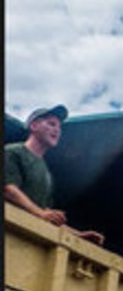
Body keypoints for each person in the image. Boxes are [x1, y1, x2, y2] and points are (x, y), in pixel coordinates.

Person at [4, 105, 103, 244]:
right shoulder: (12, 152)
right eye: (51, 124)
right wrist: (40, 213)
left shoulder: (46, 173)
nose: (57, 130)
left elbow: (44, 210)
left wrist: (77, 234)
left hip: (24, 239)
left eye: (59, 127)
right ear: (34, 126)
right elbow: (8, 189)